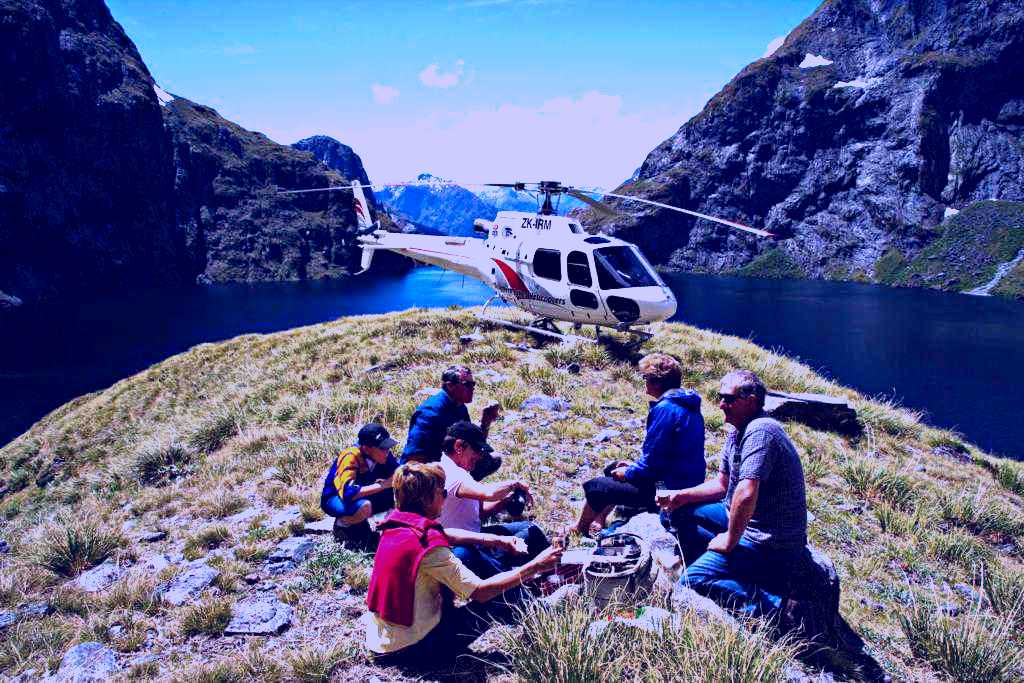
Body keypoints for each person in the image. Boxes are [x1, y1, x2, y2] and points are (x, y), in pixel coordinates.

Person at [364, 462, 561, 671]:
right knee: (502, 596)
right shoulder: (431, 550)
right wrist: (535, 566)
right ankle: (546, 625)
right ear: (426, 499)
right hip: (414, 648)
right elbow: (481, 593)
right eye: (443, 492)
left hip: (384, 640)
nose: (446, 497)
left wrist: (497, 540)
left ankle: (538, 610)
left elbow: (444, 533)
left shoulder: (395, 523)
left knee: (472, 562)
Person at [657, 369, 807, 618]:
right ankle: (713, 562)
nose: (721, 404)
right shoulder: (738, 431)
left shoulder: (762, 431)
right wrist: (679, 496)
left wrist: (729, 540)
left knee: (691, 583)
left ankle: (773, 606)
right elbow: (723, 485)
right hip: (744, 522)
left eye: (728, 398)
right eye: (720, 397)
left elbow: (746, 493)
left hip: (769, 541)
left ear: (751, 401)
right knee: (674, 513)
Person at [571, 353, 705, 536]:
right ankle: (600, 518)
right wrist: (632, 468)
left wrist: (629, 471)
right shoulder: (687, 405)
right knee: (614, 467)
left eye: (646, 378)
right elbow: (663, 457)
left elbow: (653, 464)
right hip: (684, 480)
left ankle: (579, 530)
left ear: (656, 382)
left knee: (597, 487)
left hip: (665, 488)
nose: (644, 382)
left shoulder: (665, 410)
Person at [437, 421, 550, 578]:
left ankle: (540, 572)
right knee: (529, 536)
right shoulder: (453, 474)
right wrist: (514, 483)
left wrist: (505, 501)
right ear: (459, 447)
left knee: (530, 529)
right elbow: (489, 493)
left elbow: (478, 513)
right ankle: (521, 577)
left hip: (470, 536)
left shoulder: (455, 468)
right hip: (462, 548)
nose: (480, 456)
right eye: (476, 450)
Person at [401, 365, 502, 480]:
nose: (472, 388)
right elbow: (414, 457)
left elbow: (473, 443)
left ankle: (465, 490)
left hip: (449, 462)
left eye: (473, 384)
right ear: (450, 386)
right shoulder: (430, 412)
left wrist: (486, 422)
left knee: (490, 460)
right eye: (467, 385)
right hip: (426, 472)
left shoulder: (460, 407)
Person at [320, 423, 399, 549]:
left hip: (361, 493)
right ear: (367, 448)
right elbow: (347, 494)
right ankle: (342, 525)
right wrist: (383, 485)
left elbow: (398, 473)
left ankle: (380, 526)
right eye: (382, 448)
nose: (387, 451)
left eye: (387, 447)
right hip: (335, 499)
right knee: (364, 506)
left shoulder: (383, 456)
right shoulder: (350, 456)